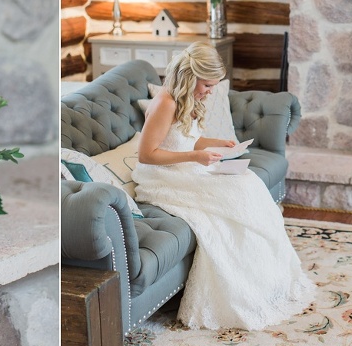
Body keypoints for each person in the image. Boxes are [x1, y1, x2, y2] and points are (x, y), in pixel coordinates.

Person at [132, 42, 315, 331]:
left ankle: (263, 278)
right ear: (190, 77)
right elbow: (147, 155)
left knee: (248, 181)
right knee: (239, 192)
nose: (210, 91)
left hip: (186, 167)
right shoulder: (166, 102)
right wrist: (197, 156)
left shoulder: (186, 99)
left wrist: (218, 143)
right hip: (164, 176)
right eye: (207, 85)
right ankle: (245, 284)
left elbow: (183, 138)